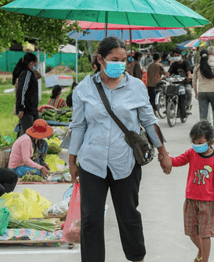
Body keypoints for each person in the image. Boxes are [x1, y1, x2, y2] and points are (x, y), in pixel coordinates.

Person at [70, 36, 172, 262]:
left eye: (124, 60)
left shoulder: (136, 87)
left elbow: (149, 122)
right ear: (100, 59)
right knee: (90, 220)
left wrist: (163, 153)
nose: (120, 64)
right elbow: (78, 126)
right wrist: (72, 160)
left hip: (125, 161)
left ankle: (137, 258)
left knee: (129, 216)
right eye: (114, 59)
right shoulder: (84, 88)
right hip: (91, 162)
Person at [169, 120, 214, 262]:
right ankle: (201, 251)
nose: (196, 145)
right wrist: (166, 159)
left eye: (200, 142)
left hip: (208, 202)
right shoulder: (191, 153)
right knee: (192, 232)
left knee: (205, 234)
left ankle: (204, 259)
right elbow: (178, 160)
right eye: (194, 141)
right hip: (190, 199)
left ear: (210, 141)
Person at [193, 49, 214, 137]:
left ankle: (204, 131)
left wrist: (195, 92)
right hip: (213, 91)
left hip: (201, 92)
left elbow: (194, 82)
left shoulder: (197, 66)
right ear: (209, 55)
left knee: (203, 113)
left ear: (200, 56)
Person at [15, 53, 40, 137]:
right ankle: (20, 150)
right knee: (26, 135)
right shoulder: (26, 73)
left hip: (32, 109)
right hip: (27, 110)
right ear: (31, 63)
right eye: (35, 63)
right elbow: (22, 91)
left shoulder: (30, 74)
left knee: (33, 134)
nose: (36, 65)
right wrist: (21, 108)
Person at [167, 47, 193, 114]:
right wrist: (165, 76)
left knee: (188, 91)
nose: (176, 57)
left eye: (177, 55)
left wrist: (189, 77)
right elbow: (169, 72)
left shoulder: (186, 63)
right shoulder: (173, 64)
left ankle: (188, 107)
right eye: (175, 56)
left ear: (181, 55)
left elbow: (188, 71)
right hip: (176, 83)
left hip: (185, 82)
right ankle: (169, 107)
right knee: (168, 91)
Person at [147, 53, 166, 117]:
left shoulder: (150, 65)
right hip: (156, 84)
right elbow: (165, 73)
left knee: (151, 99)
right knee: (156, 98)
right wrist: (165, 77)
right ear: (159, 58)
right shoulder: (159, 65)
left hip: (149, 84)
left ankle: (154, 112)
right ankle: (156, 111)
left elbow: (148, 74)